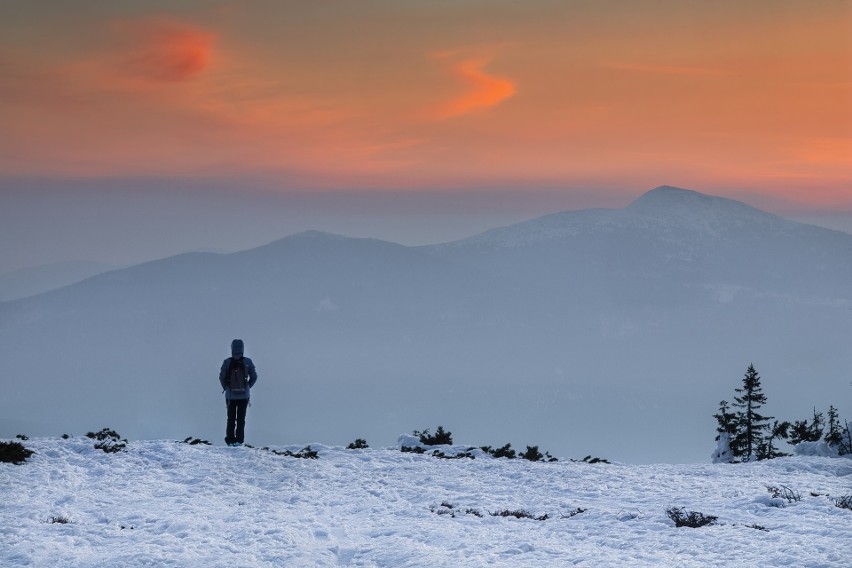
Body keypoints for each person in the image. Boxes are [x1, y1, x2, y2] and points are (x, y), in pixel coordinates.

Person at [219, 339, 258, 446]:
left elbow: (221, 377)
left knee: (231, 419)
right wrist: (247, 387)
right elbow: (254, 376)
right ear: (243, 349)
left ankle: (230, 439)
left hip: (230, 396)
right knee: (241, 419)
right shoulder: (248, 362)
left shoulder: (227, 362)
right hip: (243, 396)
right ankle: (239, 440)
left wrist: (226, 388)